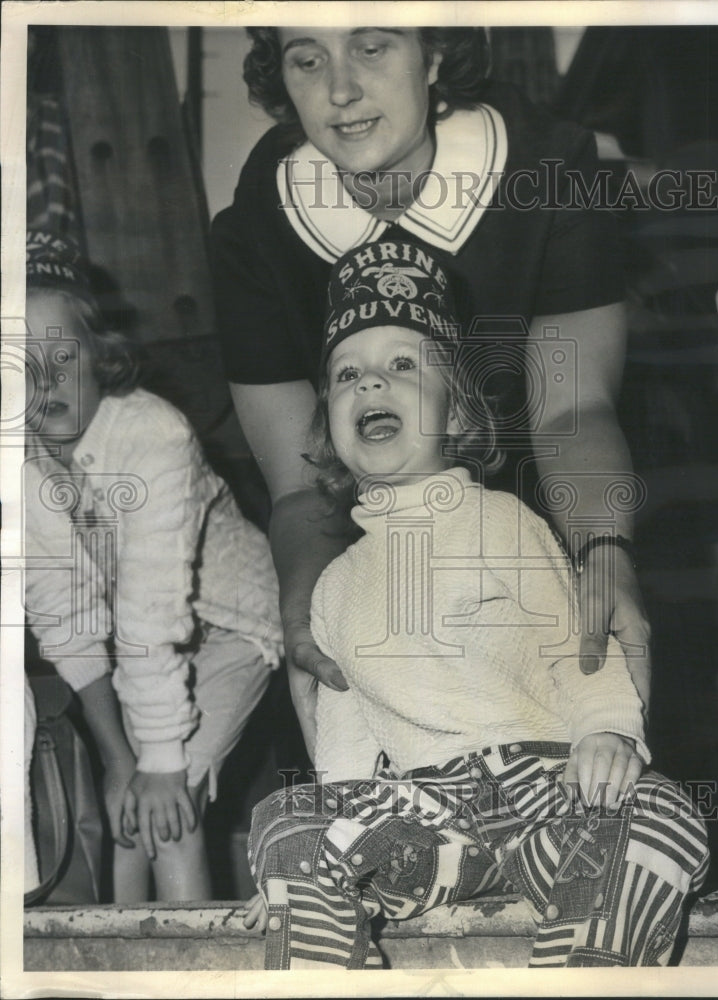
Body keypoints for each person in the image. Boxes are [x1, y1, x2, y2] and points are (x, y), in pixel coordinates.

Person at [244, 242, 709, 969]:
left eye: (402, 365)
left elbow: (575, 640)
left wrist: (609, 732)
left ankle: (582, 968)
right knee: (284, 820)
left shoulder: (501, 521)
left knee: (658, 814)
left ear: (456, 407)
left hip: (550, 792)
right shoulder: (332, 585)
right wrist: (308, 867)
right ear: (325, 429)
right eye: (345, 375)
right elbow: (343, 737)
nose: (371, 383)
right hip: (428, 825)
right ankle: (320, 956)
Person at [211, 26, 651, 761]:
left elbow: (573, 410)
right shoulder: (258, 223)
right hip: (374, 552)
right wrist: (311, 620)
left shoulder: (546, 168)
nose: (340, 89)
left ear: (436, 52)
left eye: (372, 48)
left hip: (542, 529)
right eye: (307, 58)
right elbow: (300, 479)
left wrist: (603, 553)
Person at [24, 230, 283, 901]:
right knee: (129, 810)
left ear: (100, 360)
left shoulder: (151, 435)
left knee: (169, 806)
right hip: (144, 647)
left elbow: (151, 607)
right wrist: (118, 760)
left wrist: (163, 761)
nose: (42, 382)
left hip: (231, 624)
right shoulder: (19, 460)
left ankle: (184, 968)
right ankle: (123, 964)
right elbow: (66, 615)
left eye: (61, 356)